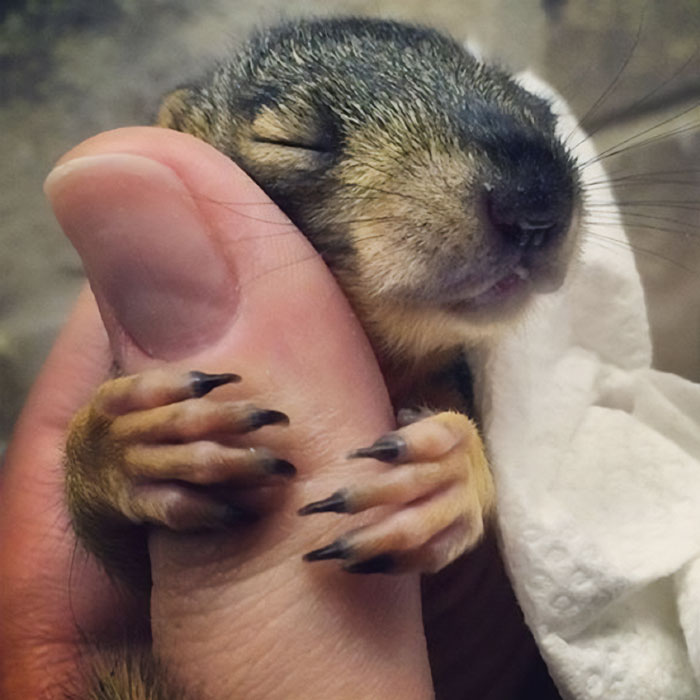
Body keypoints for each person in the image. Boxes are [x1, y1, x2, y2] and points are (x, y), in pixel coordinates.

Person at [0, 127, 435, 699]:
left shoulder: (455, 388)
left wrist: (454, 475)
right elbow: (119, 560)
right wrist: (103, 460)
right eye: (296, 145)